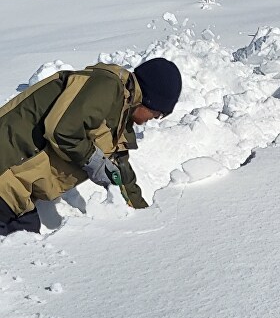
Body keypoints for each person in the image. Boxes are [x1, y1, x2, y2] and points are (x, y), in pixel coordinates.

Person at [0, 57, 182, 236]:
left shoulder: (120, 118)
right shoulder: (107, 87)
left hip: (17, 192)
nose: (155, 118)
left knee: (26, 247)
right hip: (5, 171)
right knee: (22, 252)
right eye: (159, 113)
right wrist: (93, 160)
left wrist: (144, 218)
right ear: (150, 100)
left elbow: (121, 175)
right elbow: (62, 130)